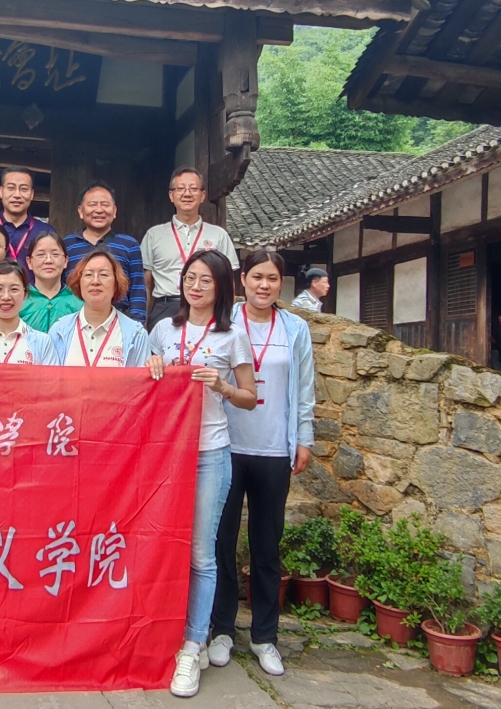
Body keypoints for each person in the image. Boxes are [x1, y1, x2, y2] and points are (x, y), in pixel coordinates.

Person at [146, 249, 257, 698]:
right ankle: (165, 632)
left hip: (210, 451)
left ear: (221, 287)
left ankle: (193, 646)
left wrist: (223, 385)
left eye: (206, 280)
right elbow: (144, 386)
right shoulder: (162, 329)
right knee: (160, 545)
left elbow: (250, 396)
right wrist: (151, 367)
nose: (195, 286)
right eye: (190, 278)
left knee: (200, 552)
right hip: (166, 453)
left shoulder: (233, 336)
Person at [210, 250, 315, 679]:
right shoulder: (223, 322)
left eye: (272, 278)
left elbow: (304, 387)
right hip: (225, 445)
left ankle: (265, 636)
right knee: (221, 542)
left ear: (281, 283)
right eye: (257, 277)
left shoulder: (295, 328)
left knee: (267, 546)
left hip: (273, 448)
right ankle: (221, 630)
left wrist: (304, 438)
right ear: (242, 279)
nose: (264, 286)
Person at [141, 167, 239, 330]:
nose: (187, 194)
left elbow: (229, 283)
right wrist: (144, 322)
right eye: (180, 189)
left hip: (207, 308)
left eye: (193, 189)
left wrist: (226, 316)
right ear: (171, 195)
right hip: (166, 307)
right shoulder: (154, 235)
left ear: (203, 195)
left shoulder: (218, 235)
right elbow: (146, 284)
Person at [48, 248, 150, 368]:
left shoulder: (136, 334)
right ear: (79, 283)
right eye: (88, 275)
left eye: (103, 275)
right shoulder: (59, 331)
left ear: (116, 283)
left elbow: (141, 379)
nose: (95, 281)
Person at [63, 182, 147, 323]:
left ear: (114, 211)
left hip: (118, 320)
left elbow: (137, 289)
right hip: (75, 319)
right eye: (92, 204)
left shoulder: (129, 245)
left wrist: (137, 324)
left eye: (105, 204)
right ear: (81, 211)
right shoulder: (67, 245)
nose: (99, 210)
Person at [0, 165, 55, 277]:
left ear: (32, 194)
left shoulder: (46, 231)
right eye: (11, 188)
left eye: (24, 189)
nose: (17, 195)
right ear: (1, 191)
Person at [20, 231, 83, 333]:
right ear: (29, 262)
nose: (48, 260)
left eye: (55, 254)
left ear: (65, 261)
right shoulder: (19, 299)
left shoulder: (79, 301)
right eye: (41, 254)